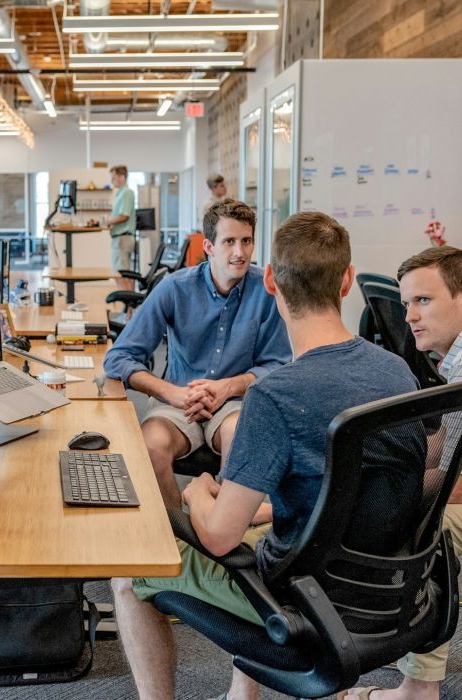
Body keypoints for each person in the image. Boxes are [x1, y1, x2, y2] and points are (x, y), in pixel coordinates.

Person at [112, 211, 424, 700]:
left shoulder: (275, 397)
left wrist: (199, 491)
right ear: (346, 282)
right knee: (259, 523)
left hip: (302, 601)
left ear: (273, 282)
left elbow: (217, 538)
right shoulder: (398, 372)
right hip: (389, 591)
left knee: (128, 575)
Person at [104, 198, 291, 508]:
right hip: (179, 401)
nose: (240, 252)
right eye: (229, 241)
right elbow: (118, 357)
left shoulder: (267, 291)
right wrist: (171, 392)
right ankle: (180, 535)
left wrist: (227, 387)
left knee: (241, 440)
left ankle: (222, 535)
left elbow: (278, 365)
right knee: (150, 446)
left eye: (246, 241)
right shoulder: (174, 288)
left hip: (235, 402)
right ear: (209, 246)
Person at [346, 245, 462, 700]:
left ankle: (418, 688)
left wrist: (377, 493)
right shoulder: (452, 365)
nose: (409, 315)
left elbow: (452, 484)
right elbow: (441, 447)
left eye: (424, 301)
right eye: (407, 302)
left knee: (435, 530)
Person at [107, 165, 136, 291]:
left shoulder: (126, 193)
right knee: (121, 274)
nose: (111, 181)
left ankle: (130, 309)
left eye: (113, 178)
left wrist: (108, 221)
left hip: (123, 239)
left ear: (121, 177)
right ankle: (129, 308)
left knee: (122, 275)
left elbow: (124, 216)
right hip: (119, 238)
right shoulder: (120, 194)